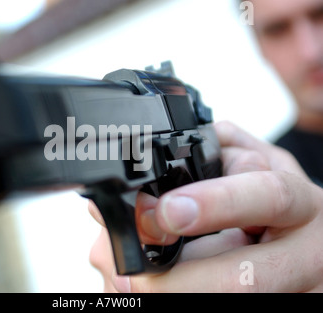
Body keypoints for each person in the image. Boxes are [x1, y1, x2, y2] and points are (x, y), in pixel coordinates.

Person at [88, 0, 323, 292]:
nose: (311, 50)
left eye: (320, 14)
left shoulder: (276, 176)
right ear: (259, 45)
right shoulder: (261, 169)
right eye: (277, 29)